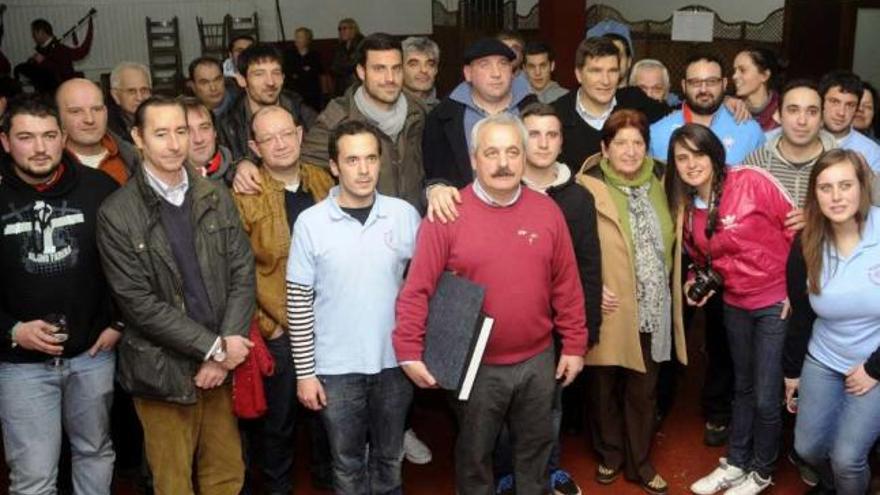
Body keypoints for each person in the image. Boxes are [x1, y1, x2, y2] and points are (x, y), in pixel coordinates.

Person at [394, 113, 587, 494]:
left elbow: (566, 282)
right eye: (492, 152)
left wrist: (576, 344)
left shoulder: (547, 211)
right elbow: (418, 287)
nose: (503, 163)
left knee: (535, 451)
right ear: (473, 159)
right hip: (475, 367)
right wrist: (408, 349)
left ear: (524, 156)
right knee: (476, 456)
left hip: (538, 359)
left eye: (513, 152)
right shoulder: (446, 214)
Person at [96, 96, 256, 495]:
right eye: (161, 133)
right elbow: (138, 305)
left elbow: (242, 271)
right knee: (172, 482)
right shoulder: (116, 213)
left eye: (181, 131)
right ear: (138, 138)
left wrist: (226, 347)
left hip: (219, 364)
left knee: (226, 473)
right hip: (161, 371)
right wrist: (215, 348)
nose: (173, 144)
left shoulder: (215, 196)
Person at [289, 120, 420, 494]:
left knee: (390, 458)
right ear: (334, 166)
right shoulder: (310, 224)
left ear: (380, 162)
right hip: (335, 369)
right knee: (346, 464)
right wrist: (305, 373)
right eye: (352, 160)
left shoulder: (404, 215)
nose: (363, 170)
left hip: (396, 365)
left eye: (371, 158)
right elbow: (298, 302)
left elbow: (424, 287)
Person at [666, 124, 796, 495]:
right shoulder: (687, 207)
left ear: (714, 153)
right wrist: (693, 280)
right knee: (743, 387)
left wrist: (797, 292)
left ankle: (762, 469)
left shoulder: (752, 180)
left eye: (699, 153)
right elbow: (696, 257)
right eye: (682, 158)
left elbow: (799, 231)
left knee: (767, 393)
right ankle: (737, 463)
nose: (692, 164)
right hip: (734, 302)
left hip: (775, 301)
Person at [0, 95, 120, 495]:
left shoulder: (101, 188)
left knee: (95, 451)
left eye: (49, 136)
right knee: (34, 477)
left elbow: (133, 265)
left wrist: (119, 322)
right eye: (26, 137)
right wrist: (13, 330)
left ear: (63, 137)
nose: (39, 148)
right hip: (19, 365)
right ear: (5, 142)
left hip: (92, 356)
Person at [491, 103, 601, 495]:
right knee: (503, 412)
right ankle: (508, 473)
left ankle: (548, 470)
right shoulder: (499, 189)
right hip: (508, 327)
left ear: (562, 141)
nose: (543, 142)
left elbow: (589, 268)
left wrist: (585, 332)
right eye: (533, 134)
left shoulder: (578, 199)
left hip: (557, 328)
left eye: (551, 134)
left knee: (550, 409)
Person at [573, 109, 682, 495]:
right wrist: (589, 289)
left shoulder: (666, 180)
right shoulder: (585, 187)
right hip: (610, 305)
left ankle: (640, 462)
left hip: (654, 306)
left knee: (644, 388)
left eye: (638, 142)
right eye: (621, 142)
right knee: (602, 385)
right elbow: (569, 246)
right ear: (605, 148)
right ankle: (610, 454)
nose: (631, 150)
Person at [234, 105, 334, 495]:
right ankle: (278, 488)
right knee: (280, 422)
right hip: (280, 325)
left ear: (299, 133)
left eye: (286, 134)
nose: (280, 144)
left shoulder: (325, 181)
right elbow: (239, 269)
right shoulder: (245, 194)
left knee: (329, 416)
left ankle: (328, 480)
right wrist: (266, 323)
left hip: (329, 321)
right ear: (253, 147)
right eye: (268, 138)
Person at [784, 149, 880, 495]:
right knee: (807, 448)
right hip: (824, 356)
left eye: (845, 185)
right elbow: (801, 313)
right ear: (815, 195)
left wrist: (873, 369)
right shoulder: (806, 242)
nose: (837, 196)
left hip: (875, 362)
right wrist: (791, 371)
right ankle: (835, 486)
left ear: (862, 187)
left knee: (847, 457)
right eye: (826, 188)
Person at [295, 33, 427, 209]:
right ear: (361, 71)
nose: (390, 79)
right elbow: (305, 165)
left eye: (396, 68)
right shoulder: (340, 117)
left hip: (414, 223)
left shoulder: (417, 111)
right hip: (364, 227)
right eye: (379, 69)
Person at [422, 38, 535, 189]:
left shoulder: (533, 109)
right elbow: (435, 177)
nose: (496, 74)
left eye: (503, 64)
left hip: (524, 206)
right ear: (468, 73)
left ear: (512, 71)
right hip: (464, 208)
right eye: (485, 65)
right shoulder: (442, 118)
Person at [551, 37, 667, 175]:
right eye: (596, 71)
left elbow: (676, 116)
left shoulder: (635, 101)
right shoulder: (556, 115)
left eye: (612, 71)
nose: (606, 81)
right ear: (579, 75)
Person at [650, 53, 765, 165]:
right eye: (695, 82)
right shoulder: (658, 133)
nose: (703, 89)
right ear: (684, 86)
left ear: (724, 84)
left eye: (711, 82)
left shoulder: (749, 131)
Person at [218, 43, 316, 165]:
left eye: (276, 73)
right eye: (259, 74)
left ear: (283, 78)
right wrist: (238, 168)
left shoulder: (303, 114)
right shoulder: (229, 125)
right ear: (242, 80)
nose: (270, 82)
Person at [744, 79, 837, 207]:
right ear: (778, 115)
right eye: (793, 110)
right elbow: (742, 215)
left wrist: (815, 218)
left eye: (812, 112)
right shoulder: (757, 162)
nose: (802, 121)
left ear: (822, 119)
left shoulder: (839, 163)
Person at [56, 78, 138, 185]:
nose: (89, 119)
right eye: (76, 111)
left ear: (105, 112)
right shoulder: (47, 165)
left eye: (96, 109)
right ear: (58, 117)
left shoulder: (133, 158)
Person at [819, 70, 880, 171]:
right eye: (834, 102)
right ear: (821, 102)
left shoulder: (872, 152)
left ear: (856, 109)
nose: (841, 112)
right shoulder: (802, 136)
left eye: (850, 105)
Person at [14, 18, 93, 95]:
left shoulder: (60, 49)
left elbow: (64, 72)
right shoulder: (43, 50)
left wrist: (43, 61)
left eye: (34, 33)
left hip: (59, 93)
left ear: (41, 32)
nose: (33, 36)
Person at [180, 96, 235, 184]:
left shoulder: (239, 176)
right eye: (187, 131)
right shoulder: (165, 186)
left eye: (204, 128)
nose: (198, 139)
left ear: (215, 132)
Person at [732, 48, 781, 131]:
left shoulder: (783, 108)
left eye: (742, 70)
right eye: (734, 70)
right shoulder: (731, 107)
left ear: (765, 75)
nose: (734, 76)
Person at [108, 62, 152, 144]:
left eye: (144, 90)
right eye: (131, 91)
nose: (139, 98)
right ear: (115, 96)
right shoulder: (108, 129)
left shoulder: (160, 117)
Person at [283, 27, 324, 112]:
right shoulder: (289, 55)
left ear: (307, 39)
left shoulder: (314, 55)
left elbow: (318, 72)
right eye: (296, 37)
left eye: (300, 37)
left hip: (311, 93)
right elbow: (288, 72)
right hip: (294, 91)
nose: (297, 40)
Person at [401, 36, 440, 110]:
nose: (424, 70)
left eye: (430, 64)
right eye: (414, 64)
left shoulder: (444, 109)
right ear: (400, 69)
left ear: (436, 70)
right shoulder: (386, 109)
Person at [330, 18, 363, 97]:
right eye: (340, 29)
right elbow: (333, 66)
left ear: (353, 29)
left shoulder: (361, 43)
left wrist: (341, 67)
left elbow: (354, 64)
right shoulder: (340, 46)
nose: (341, 31)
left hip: (357, 84)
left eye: (344, 28)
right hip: (341, 85)